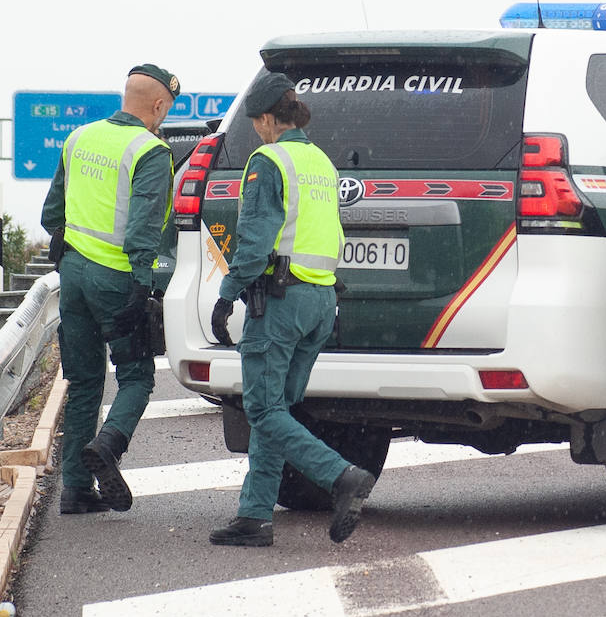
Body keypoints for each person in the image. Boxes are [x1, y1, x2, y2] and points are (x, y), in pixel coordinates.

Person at [207, 72, 376, 547]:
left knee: (262, 408)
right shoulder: (321, 161)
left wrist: (227, 293)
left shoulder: (269, 161)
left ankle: (341, 476)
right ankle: (255, 516)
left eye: (255, 123)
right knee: (275, 409)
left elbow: (255, 239)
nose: (256, 132)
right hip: (320, 301)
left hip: (281, 301)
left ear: (266, 119)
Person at [41, 64, 180, 514]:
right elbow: (144, 223)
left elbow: (52, 211)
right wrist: (143, 282)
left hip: (73, 276)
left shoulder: (78, 138)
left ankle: (76, 490)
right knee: (136, 376)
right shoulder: (151, 151)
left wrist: (66, 246)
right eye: (166, 109)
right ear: (158, 105)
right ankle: (108, 446)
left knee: (84, 381)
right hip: (117, 279)